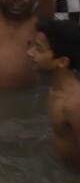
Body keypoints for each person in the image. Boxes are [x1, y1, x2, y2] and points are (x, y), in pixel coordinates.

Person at [28, 20, 80, 170]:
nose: (29, 53)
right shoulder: (54, 90)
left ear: (62, 61)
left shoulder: (74, 104)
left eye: (38, 49)